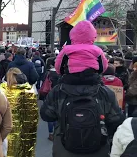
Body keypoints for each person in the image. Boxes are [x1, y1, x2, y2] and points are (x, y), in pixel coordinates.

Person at [40, 20, 125, 157]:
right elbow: (117, 120)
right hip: (98, 149)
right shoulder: (105, 93)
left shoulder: (59, 90)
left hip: (64, 148)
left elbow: (46, 115)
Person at [0, 68, 38, 157]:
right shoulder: (30, 89)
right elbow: (33, 112)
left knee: (8, 151)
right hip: (27, 128)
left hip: (8, 128)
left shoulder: (3, 90)